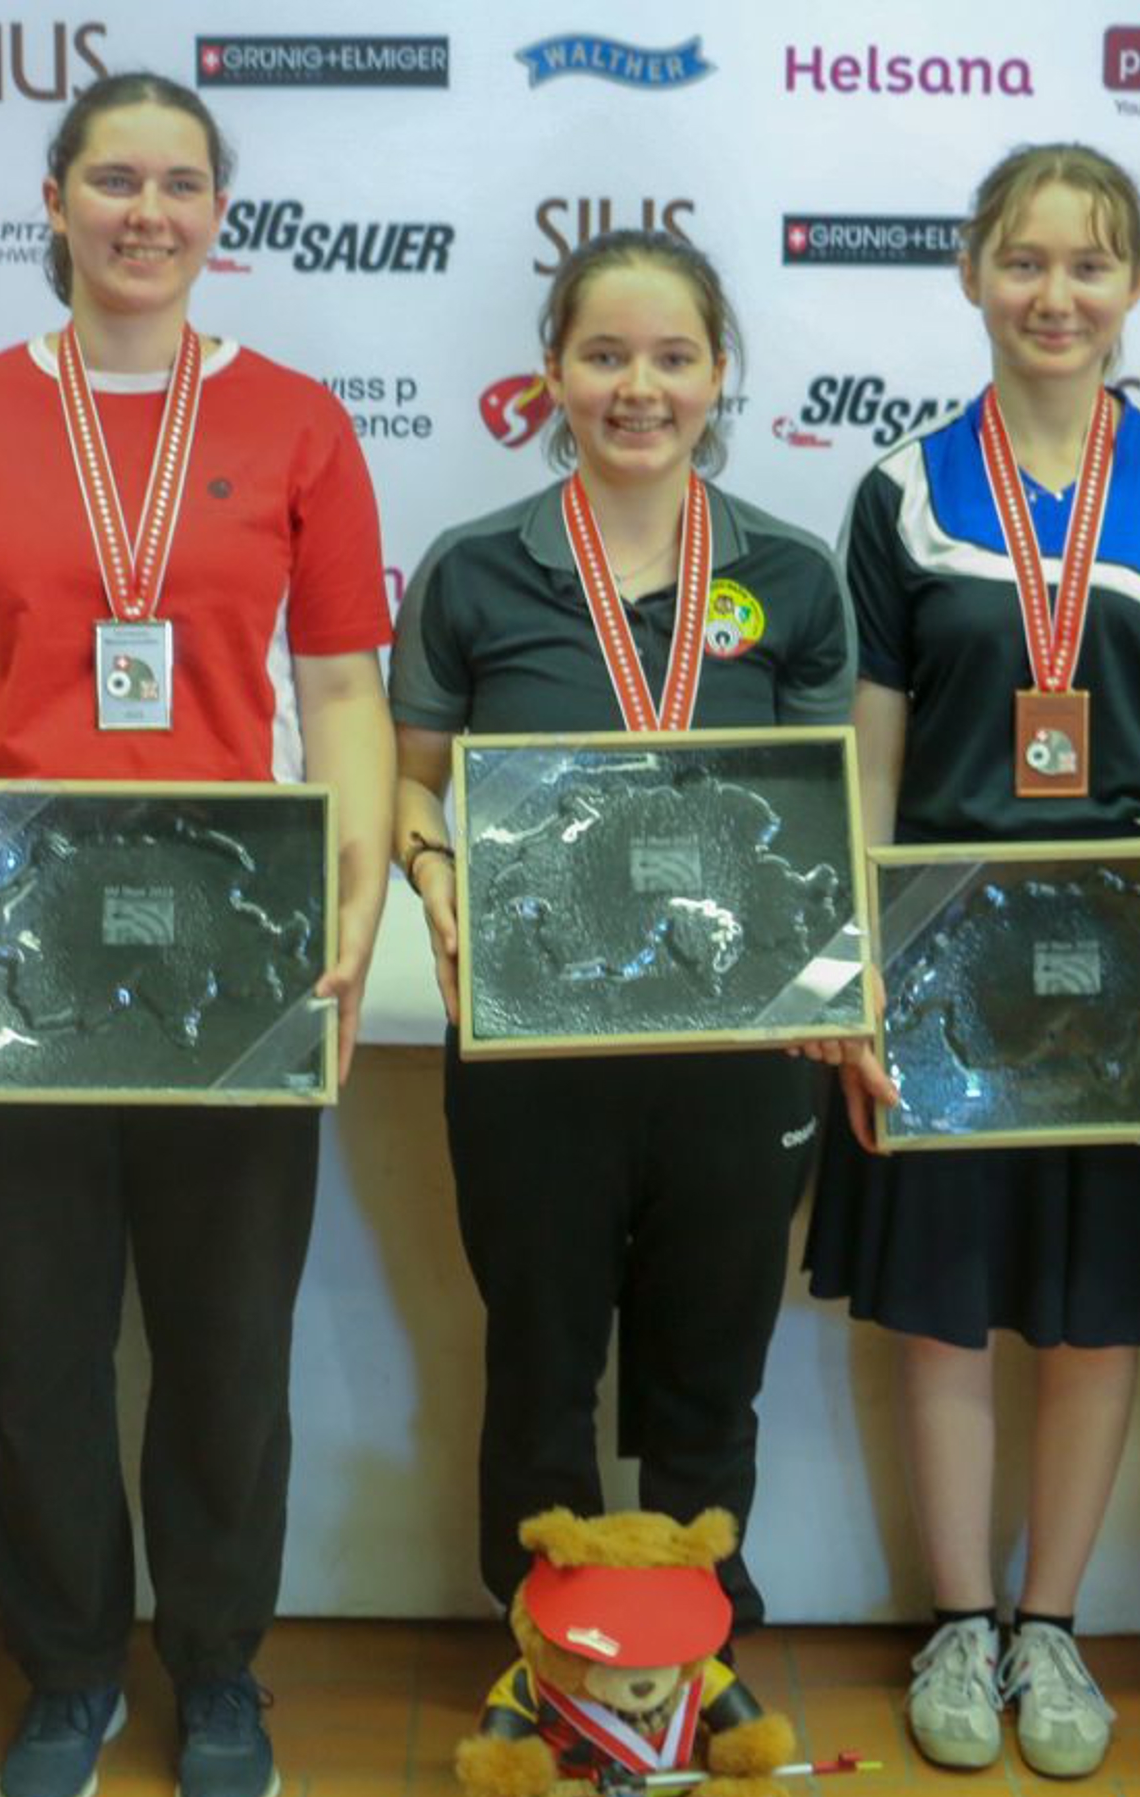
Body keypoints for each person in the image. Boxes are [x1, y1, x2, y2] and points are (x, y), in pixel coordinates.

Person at [0, 72, 394, 1797]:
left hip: (234, 961)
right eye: (112, 181)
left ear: (216, 210)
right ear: (55, 199)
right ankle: (72, 1670)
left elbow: (339, 695)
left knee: (229, 1344)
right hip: (10, 964)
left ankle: (219, 1669)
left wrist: (357, 886)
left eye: (177, 183)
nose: (144, 212)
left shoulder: (304, 424)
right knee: (44, 1347)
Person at [801, 144, 1140, 1781]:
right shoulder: (900, 490)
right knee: (943, 1312)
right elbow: (867, 766)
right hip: (944, 967)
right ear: (970, 274)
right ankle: (960, 1621)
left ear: (1136, 283)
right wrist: (852, 973)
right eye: (1023, 260)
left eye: (1089, 264)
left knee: (1098, 1315)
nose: (1055, 294)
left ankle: (1056, 1626)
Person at [389, 230, 853, 1637]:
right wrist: (432, 867)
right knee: (540, 1367)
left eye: (670, 358)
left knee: (709, 1373)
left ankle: (691, 1647)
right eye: (603, 356)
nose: (636, 389)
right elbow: (411, 776)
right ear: (552, 376)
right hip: (535, 1051)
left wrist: (838, 985)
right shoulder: (473, 571)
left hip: (737, 1048)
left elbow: (825, 817)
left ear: (720, 377)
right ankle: (548, 1651)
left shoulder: (791, 570)